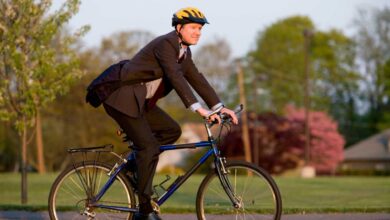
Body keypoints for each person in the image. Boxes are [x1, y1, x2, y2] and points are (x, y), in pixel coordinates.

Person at [87, 7, 238, 220]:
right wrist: (199, 109)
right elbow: (175, 77)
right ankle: (145, 209)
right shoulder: (166, 45)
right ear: (179, 28)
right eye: (194, 27)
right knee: (148, 146)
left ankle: (132, 168)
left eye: (200, 29)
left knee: (171, 130)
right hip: (120, 97)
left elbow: (196, 78)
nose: (198, 33)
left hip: (139, 102)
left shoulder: (184, 53)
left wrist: (219, 107)